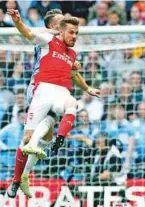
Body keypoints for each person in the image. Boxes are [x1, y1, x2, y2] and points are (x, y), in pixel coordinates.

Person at [7, 9, 100, 198]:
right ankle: (17, 180)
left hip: (59, 91)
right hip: (38, 88)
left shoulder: (71, 53)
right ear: (54, 27)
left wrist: (87, 88)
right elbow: (27, 33)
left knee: (47, 135)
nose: (65, 28)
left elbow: (73, 74)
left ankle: (26, 172)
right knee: (29, 138)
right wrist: (17, 20)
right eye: (61, 25)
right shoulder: (47, 40)